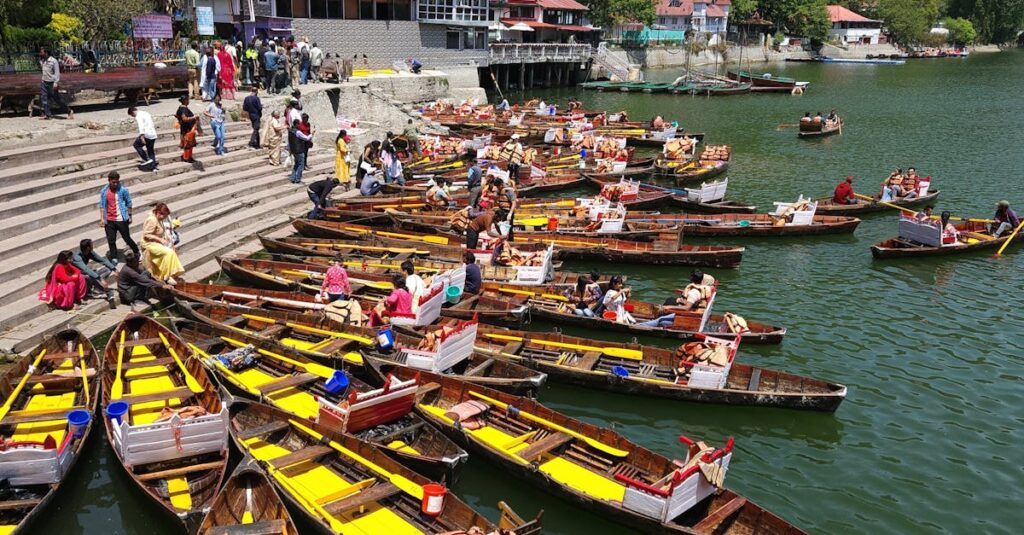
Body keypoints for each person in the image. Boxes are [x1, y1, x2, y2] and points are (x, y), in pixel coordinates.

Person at [98, 172, 139, 260]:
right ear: (109, 181)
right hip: (109, 219)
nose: (116, 184)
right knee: (111, 239)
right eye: (113, 182)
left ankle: (136, 251)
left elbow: (129, 203)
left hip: (121, 218)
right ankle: (114, 256)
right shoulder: (104, 191)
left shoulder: (123, 190)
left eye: (117, 182)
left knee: (127, 238)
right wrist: (102, 218)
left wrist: (130, 216)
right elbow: (102, 205)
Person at [141, 203, 185, 284]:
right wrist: (159, 239)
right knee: (169, 253)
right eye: (164, 216)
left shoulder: (159, 219)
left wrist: (168, 240)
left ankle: (170, 274)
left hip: (156, 243)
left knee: (172, 251)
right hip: (149, 244)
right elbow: (146, 234)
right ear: (158, 212)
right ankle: (167, 276)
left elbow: (161, 231)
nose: (164, 218)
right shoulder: (152, 220)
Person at [72, 238, 117, 306]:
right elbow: (85, 269)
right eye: (92, 245)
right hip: (78, 274)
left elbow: (102, 260)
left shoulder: (90, 252)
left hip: (87, 272)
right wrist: (100, 279)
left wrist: (115, 270)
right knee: (89, 276)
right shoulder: (77, 257)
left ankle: (97, 288)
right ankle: (103, 290)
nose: (93, 246)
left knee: (108, 269)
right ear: (88, 247)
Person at [38, 47, 73, 120]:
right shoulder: (42, 61)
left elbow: (57, 72)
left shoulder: (53, 61)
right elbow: (44, 71)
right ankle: (48, 115)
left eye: (42, 52)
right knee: (44, 99)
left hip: (51, 83)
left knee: (57, 99)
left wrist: (56, 82)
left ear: (46, 53)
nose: (40, 54)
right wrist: (42, 79)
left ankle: (69, 111)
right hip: (44, 82)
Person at [175, 96, 199, 163]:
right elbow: (184, 119)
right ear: (185, 100)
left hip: (185, 128)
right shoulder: (183, 109)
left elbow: (177, 115)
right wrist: (194, 117)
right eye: (188, 100)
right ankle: (187, 158)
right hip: (187, 129)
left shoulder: (180, 108)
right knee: (188, 144)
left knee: (189, 144)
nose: (189, 101)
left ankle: (189, 157)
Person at [288, 119, 312, 183]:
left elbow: (289, 141)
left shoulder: (290, 130)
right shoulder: (298, 132)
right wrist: (312, 134)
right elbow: (306, 138)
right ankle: (298, 179)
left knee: (296, 164)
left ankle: (293, 178)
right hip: (299, 150)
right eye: (299, 124)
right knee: (301, 165)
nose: (300, 125)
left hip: (293, 150)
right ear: (296, 124)